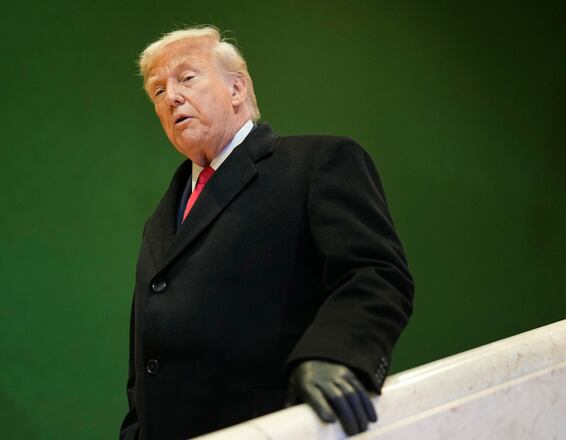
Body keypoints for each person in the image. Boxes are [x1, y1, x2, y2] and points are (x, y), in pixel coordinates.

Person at [120, 26, 413, 439]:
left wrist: (338, 353)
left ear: (237, 88)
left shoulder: (317, 163)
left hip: (275, 426)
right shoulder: (161, 219)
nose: (171, 97)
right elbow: (146, 360)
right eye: (157, 91)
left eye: (186, 78)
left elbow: (375, 275)